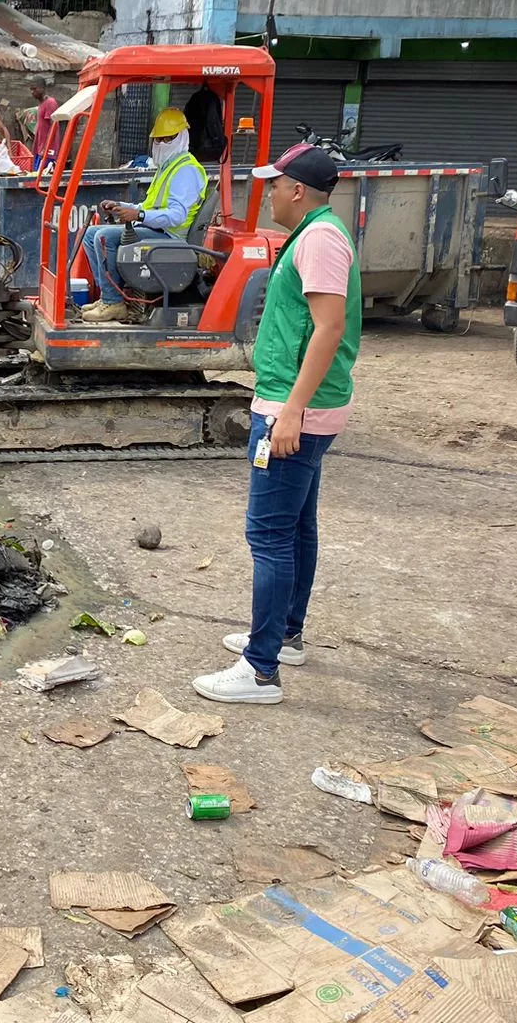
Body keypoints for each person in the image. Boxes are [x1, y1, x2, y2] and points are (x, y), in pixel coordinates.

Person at [192, 143, 359, 706]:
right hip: (299, 404)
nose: (264, 194)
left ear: (295, 190)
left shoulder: (318, 239)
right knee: (295, 528)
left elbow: (329, 328)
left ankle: (260, 670)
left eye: (272, 184)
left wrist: (291, 410)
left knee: (268, 536)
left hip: (295, 411)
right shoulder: (317, 232)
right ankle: (284, 637)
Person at [78, 108, 208, 323]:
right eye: (159, 139)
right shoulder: (168, 167)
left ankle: (114, 303)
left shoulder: (186, 170)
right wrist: (121, 206)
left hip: (171, 237)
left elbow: (175, 216)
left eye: (169, 138)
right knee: (90, 233)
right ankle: (109, 297)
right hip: (156, 229)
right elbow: (150, 206)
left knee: (104, 236)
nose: (163, 144)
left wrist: (138, 215)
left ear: (182, 136)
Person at [30, 77, 59, 170]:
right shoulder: (41, 104)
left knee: (42, 177)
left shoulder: (50, 103)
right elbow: (40, 129)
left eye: (34, 89)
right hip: (41, 150)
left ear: (42, 88)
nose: (32, 92)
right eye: (31, 89)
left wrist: (46, 148)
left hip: (48, 150)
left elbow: (53, 126)